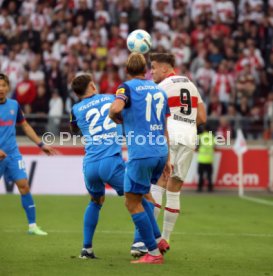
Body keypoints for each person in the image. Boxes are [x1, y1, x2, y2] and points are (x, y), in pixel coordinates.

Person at [109, 53, 171, 264]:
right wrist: (168, 158)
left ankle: (153, 253)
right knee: (144, 194)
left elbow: (116, 108)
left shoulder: (125, 87)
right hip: (160, 151)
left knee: (131, 201)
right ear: (146, 70)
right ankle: (159, 239)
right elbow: (165, 126)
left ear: (127, 70)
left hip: (141, 152)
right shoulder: (159, 90)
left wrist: (113, 115)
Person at [149, 53, 206, 242]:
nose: (152, 71)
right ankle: (165, 238)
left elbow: (154, 117)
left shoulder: (162, 87)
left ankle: (150, 240)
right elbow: (202, 118)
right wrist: (187, 125)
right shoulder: (191, 84)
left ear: (165, 69)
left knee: (160, 183)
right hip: (189, 137)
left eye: (154, 67)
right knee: (175, 188)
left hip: (170, 134)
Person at [70, 74, 125, 259]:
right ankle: (143, 243)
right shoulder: (110, 98)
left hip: (90, 163)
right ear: (93, 86)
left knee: (96, 201)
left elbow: (74, 130)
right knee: (141, 197)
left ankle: (86, 249)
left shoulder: (75, 109)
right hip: (111, 159)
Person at [0, 73, 55, 235]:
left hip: (12, 154)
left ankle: (32, 226)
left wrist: (41, 144)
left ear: (8, 87)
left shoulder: (14, 105)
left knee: (24, 185)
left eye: (3, 85)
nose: (0, 89)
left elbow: (24, 126)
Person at [197, 126, 215, 192]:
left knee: (200, 175)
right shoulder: (212, 137)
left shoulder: (200, 136)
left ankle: (199, 188)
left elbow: (197, 147)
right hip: (209, 159)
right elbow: (214, 146)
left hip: (201, 159)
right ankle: (210, 188)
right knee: (209, 175)